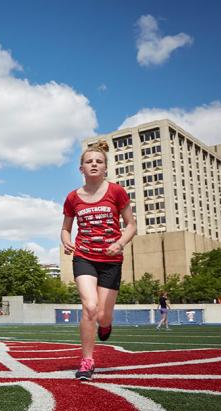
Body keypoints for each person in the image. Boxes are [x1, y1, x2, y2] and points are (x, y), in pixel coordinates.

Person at [61, 140, 137, 381]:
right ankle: (87, 361)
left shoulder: (116, 192)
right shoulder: (73, 198)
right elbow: (65, 228)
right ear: (81, 168)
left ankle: (106, 324)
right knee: (90, 307)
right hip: (84, 257)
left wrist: (120, 243)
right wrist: (65, 240)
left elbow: (131, 225)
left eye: (99, 161)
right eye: (88, 161)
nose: (94, 164)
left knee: (103, 315)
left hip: (111, 259)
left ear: (106, 168)